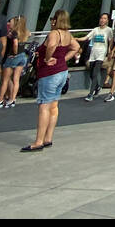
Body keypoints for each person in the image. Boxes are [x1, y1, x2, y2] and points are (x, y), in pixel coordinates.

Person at [22, 11, 80, 153]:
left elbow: (52, 45)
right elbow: (76, 47)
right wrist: (64, 59)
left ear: (56, 20)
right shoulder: (67, 34)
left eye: (52, 19)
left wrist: (47, 59)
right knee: (54, 105)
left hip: (49, 73)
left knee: (44, 106)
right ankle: (48, 137)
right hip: (62, 71)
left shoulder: (54, 34)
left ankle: (38, 141)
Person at [0, 15, 30, 109]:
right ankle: (12, 100)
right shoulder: (25, 32)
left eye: (11, 22)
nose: (9, 23)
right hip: (23, 56)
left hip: (13, 57)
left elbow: (15, 43)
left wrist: (14, 53)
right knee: (16, 79)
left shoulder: (13, 33)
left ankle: (0, 100)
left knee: (5, 80)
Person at [84, 13, 114, 100]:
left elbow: (111, 41)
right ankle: (97, 87)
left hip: (101, 54)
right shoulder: (95, 30)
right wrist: (75, 39)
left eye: (104, 18)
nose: (102, 20)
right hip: (93, 54)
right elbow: (86, 37)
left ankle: (90, 94)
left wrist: (109, 51)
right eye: (101, 18)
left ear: (107, 20)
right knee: (91, 74)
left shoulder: (108, 30)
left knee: (95, 73)